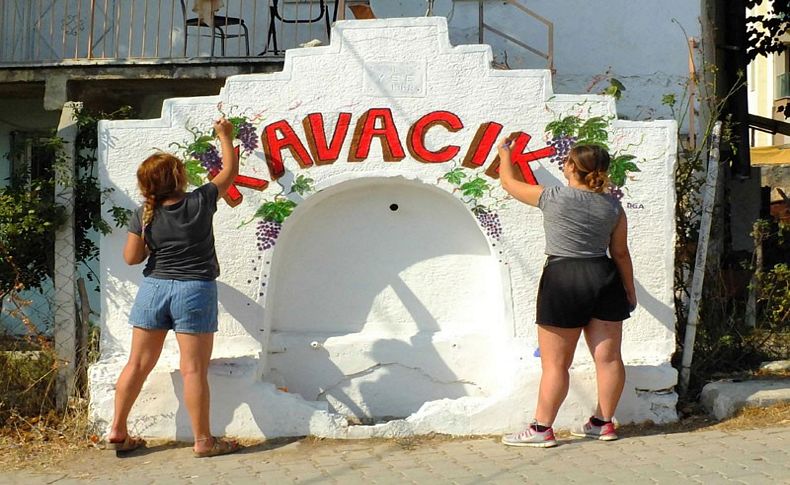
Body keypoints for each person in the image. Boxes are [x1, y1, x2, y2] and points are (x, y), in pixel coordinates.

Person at [105, 118, 241, 458]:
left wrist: (152, 238)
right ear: (179, 178)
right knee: (193, 368)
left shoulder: (143, 214)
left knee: (136, 364)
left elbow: (131, 258)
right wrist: (225, 136)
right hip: (194, 290)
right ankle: (203, 442)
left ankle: (118, 430)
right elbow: (229, 172)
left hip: (154, 289)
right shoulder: (200, 201)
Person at [498, 140, 636, 448]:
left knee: (556, 364)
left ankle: (541, 429)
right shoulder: (613, 206)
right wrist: (629, 288)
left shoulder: (553, 197)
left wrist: (505, 155)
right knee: (609, 358)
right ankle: (603, 423)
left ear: (571, 167)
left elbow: (509, 183)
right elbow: (620, 253)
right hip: (604, 276)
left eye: (567, 161)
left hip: (563, 278)